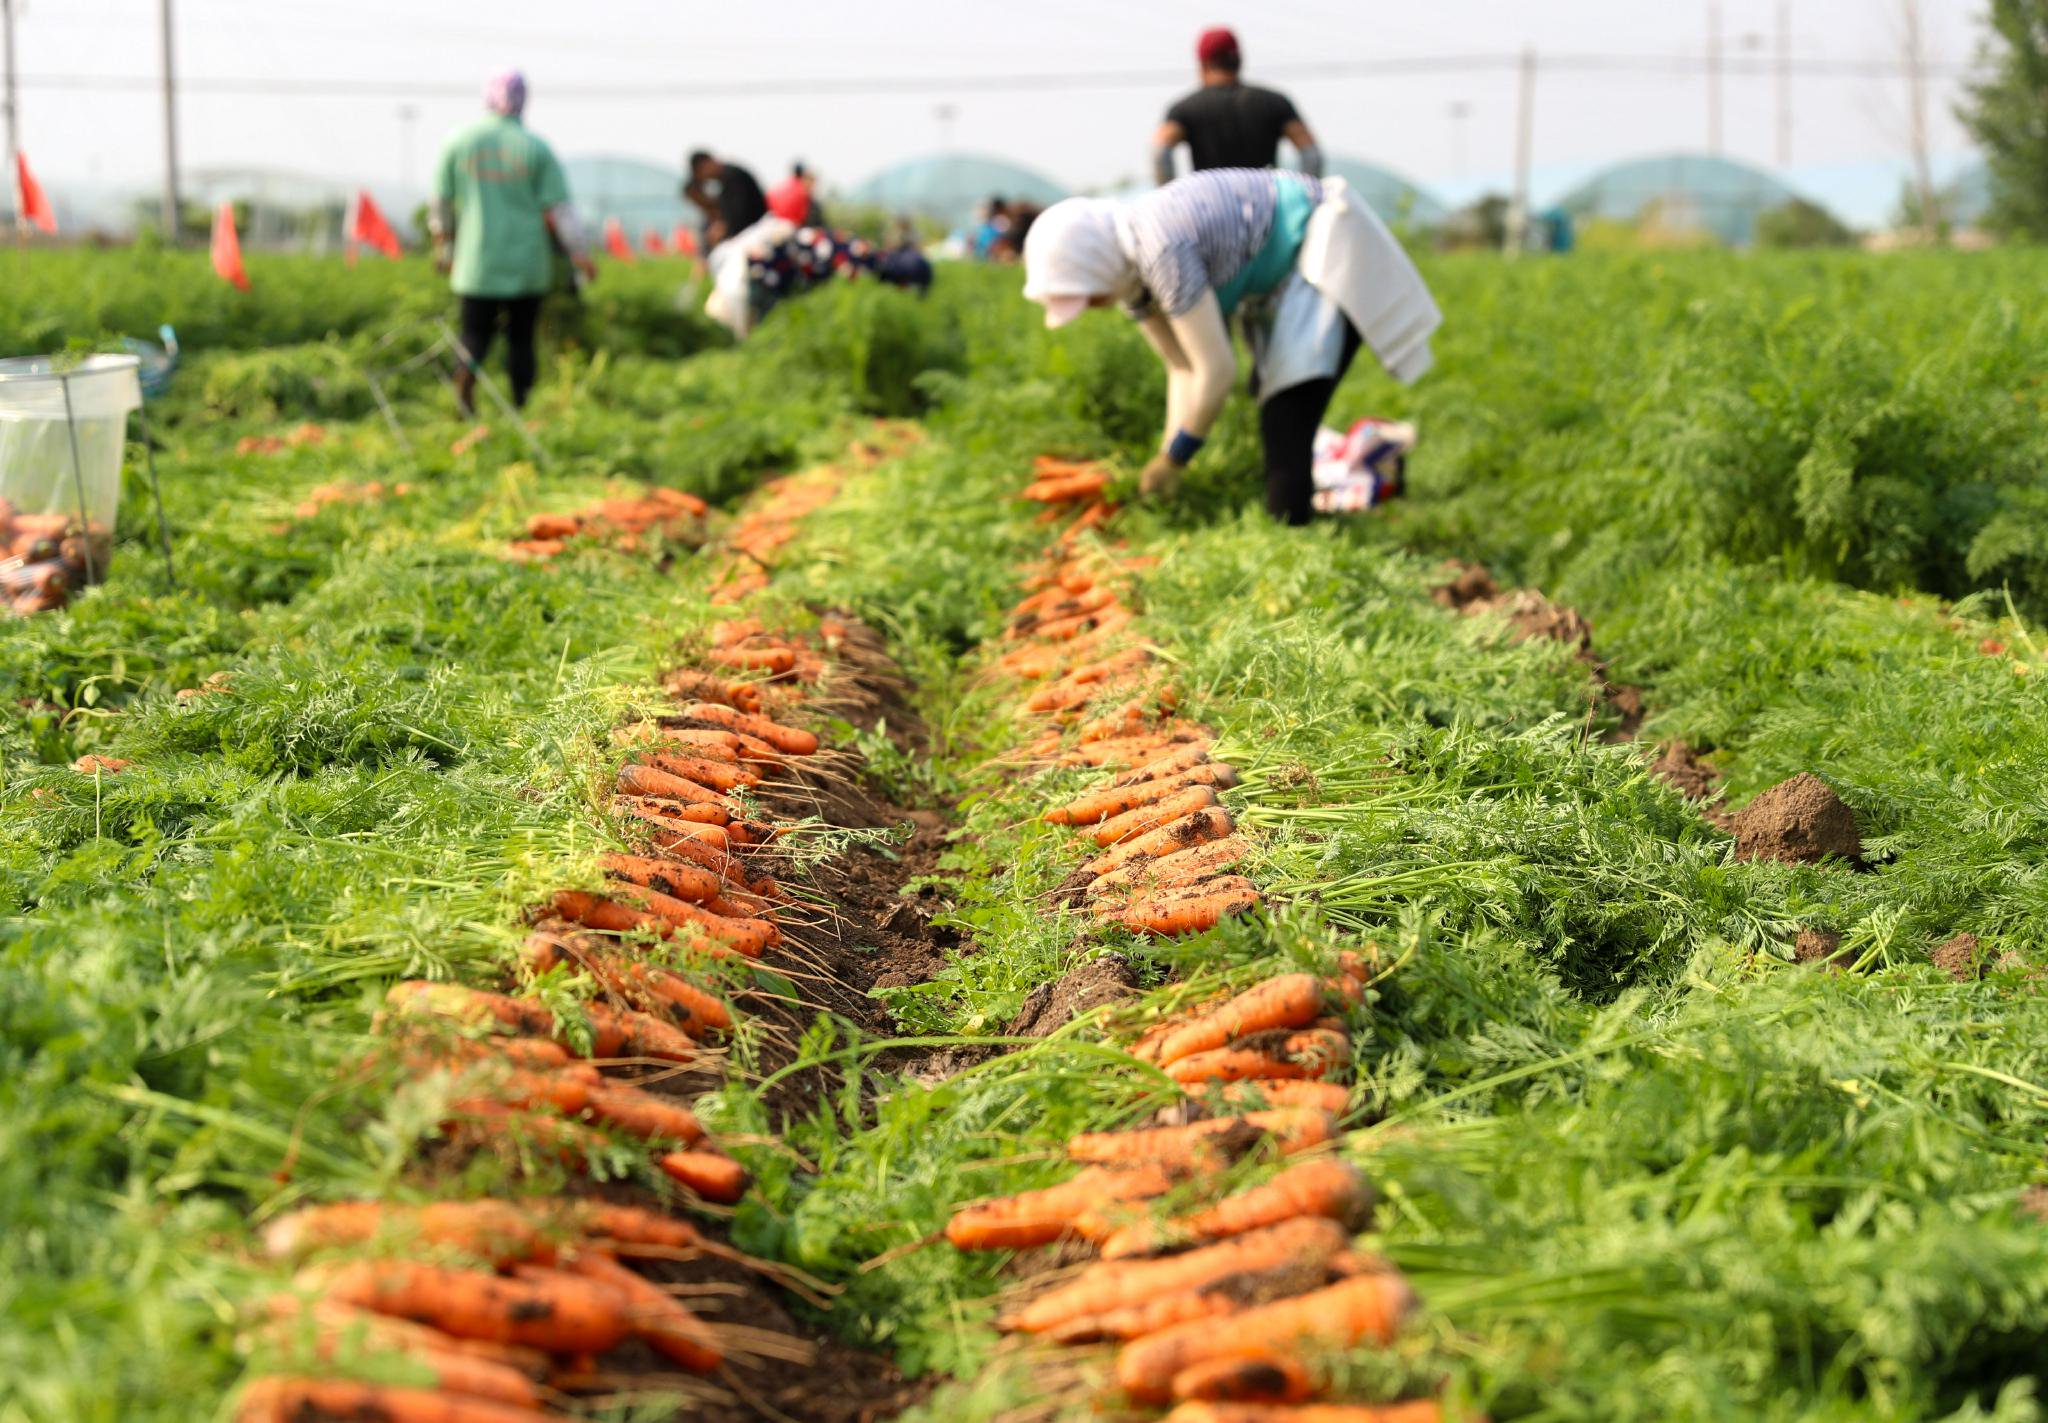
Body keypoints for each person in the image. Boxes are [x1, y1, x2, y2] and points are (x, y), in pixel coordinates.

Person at [1022, 167, 1441, 525]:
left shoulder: (1161, 250)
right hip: (1279, 279)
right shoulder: (1127, 274)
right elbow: (1181, 368)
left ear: (1096, 262)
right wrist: (1168, 454)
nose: (1093, 307)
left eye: (1088, 296)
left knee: (1286, 422)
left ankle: (1298, 540)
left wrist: (1175, 459)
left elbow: (1216, 371)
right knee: (1279, 412)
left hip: (1321, 247)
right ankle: (1363, 471)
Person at [430, 70, 594, 417]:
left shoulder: (459, 142)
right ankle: (520, 406)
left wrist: (444, 249)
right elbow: (560, 210)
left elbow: (440, 204)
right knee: (520, 338)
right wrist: (580, 254)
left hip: (476, 260)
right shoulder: (535, 147)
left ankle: (464, 387)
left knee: (474, 333)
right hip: (526, 261)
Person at [1153, 27, 1322, 184]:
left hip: (1211, 206)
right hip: (1265, 206)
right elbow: (1311, 154)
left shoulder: (1185, 108)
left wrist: (1172, 198)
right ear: (1239, 60)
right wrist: (1304, 199)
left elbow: (1161, 153)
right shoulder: (1274, 102)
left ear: (1203, 64)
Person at [684, 151, 768, 250]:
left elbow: (740, 213)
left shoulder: (733, 177)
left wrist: (724, 228)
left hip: (755, 233)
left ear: (705, 165)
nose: (706, 178)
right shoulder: (726, 179)